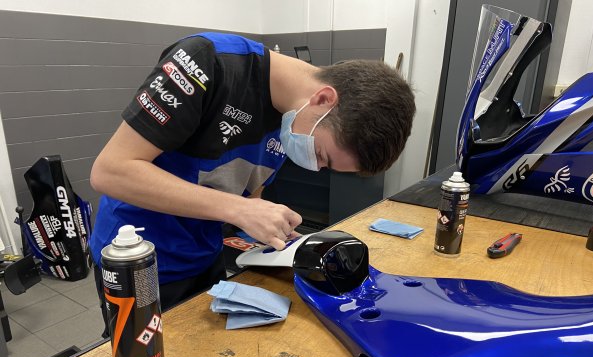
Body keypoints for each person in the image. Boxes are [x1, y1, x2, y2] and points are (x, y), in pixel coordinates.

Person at [89, 32, 416, 331]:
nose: (316, 167)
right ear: (322, 100)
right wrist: (241, 209)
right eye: (322, 155)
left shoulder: (293, 116)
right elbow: (110, 171)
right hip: (140, 260)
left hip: (204, 255)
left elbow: (245, 199)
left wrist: (269, 225)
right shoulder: (208, 62)